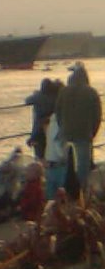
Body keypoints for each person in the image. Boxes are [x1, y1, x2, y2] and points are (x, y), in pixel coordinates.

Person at [55, 62, 102, 194]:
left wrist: (63, 128)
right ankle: (80, 195)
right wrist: (92, 133)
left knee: (66, 166)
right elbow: (97, 116)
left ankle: (65, 194)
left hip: (66, 134)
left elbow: (57, 112)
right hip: (84, 134)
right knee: (82, 169)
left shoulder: (63, 91)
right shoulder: (92, 92)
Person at [43, 82, 67, 200]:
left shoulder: (51, 121)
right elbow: (58, 142)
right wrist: (64, 156)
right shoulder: (60, 121)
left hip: (50, 162)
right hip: (59, 164)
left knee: (50, 198)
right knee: (63, 197)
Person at [24, 78, 58, 159]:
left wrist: (36, 93)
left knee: (39, 153)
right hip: (51, 127)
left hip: (39, 129)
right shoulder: (55, 97)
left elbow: (27, 100)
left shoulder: (38, 96)